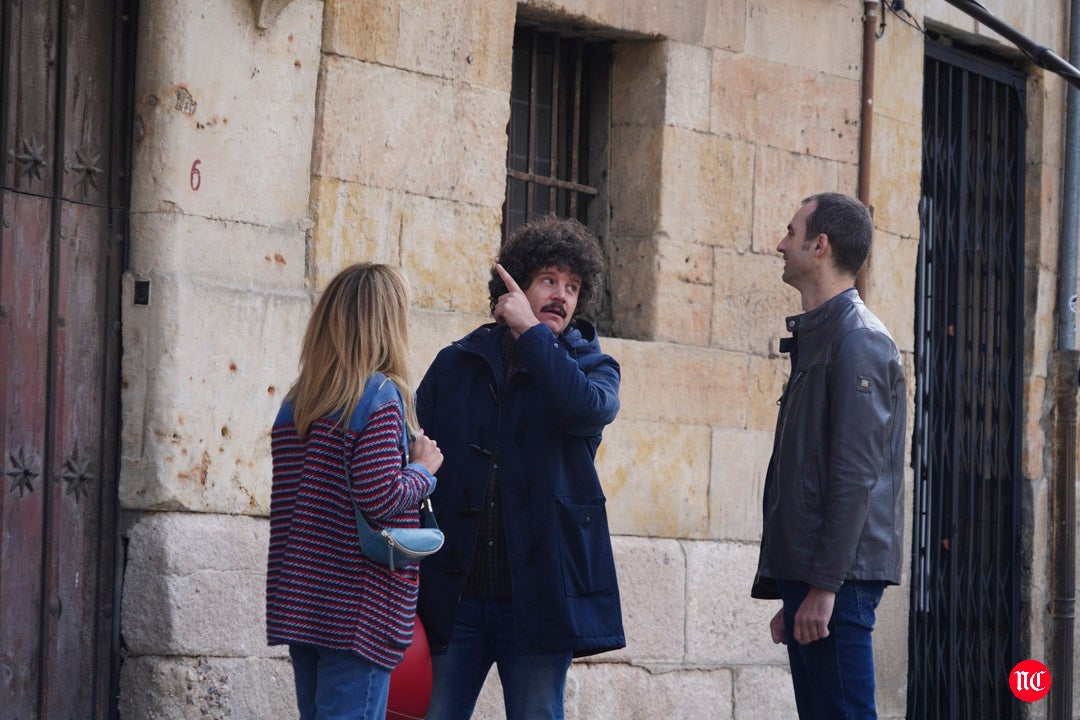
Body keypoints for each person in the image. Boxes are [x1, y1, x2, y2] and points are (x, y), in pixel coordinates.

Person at [417, 215, 625, 720]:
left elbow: (582, 410)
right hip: (457, 595)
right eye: (549, 280)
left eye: (573, 286)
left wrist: (532, 333)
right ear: (513, 283)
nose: (562, 295)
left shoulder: (595, 369)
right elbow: (427, 431)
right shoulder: (455, 362)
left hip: (538, 599)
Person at [751, 192, 907, 720]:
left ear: (819, 246)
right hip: (817, 580)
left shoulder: (859, 340)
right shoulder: (824, 335)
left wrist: (823, 588)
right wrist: (794, 592)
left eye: (791, 233)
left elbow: (854, 477)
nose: (780, 243)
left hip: (838, 582)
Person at [265, 263, 443, 720]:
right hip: (358, 608)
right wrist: (423, 469)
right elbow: (380, 498)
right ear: (387, 322)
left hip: (304, 601)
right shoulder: (379, 397)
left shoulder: (297, 402)